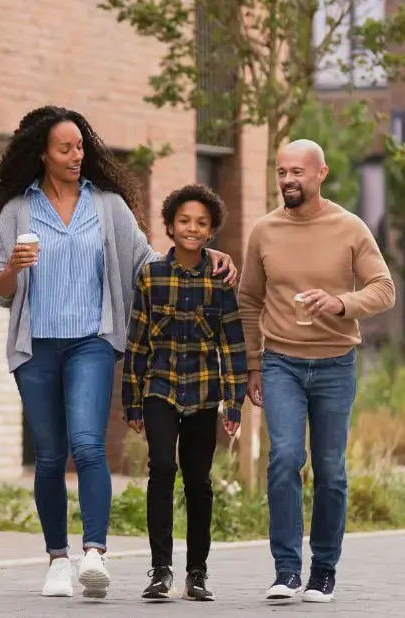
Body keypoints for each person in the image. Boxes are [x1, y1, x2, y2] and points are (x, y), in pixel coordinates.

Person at [0, 105, 237, 599]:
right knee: (51, 456)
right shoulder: (17, 210)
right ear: (42, 154)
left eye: (80, 147)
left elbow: (147, 263)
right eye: (65, 149)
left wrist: (207, 260)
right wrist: (13, 266)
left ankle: (94, 553)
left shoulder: (107, 205)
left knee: (89, 445)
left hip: (91, 343)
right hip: (34, 347)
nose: (77, 155)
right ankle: (58, 559)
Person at [237, 139, 396, 604]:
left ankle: (323, 571)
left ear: (320, 173)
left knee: (331, 470)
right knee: (285, 458)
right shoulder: (264, 231)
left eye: (297, 172)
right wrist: (253, 362)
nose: (287, 180)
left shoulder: (349, 228)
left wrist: (342, 303)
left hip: (335, 365)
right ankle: (286, 570)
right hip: (280, 361)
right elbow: (249, 299)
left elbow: (384, 288)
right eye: (282, 172)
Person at [122, 184, 246, 602]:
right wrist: (132, 400)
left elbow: (231, 342)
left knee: (198, 480)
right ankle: (160, 571)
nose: (192, 229)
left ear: (211, 232)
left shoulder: (220, 279)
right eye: (184, 221)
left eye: (201, 223)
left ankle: (197, 574)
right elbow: (136, 341)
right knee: (161, 469)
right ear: (171, 227)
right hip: (159, 388)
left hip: (204, 393)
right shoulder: (151, 275)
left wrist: (235, 399)